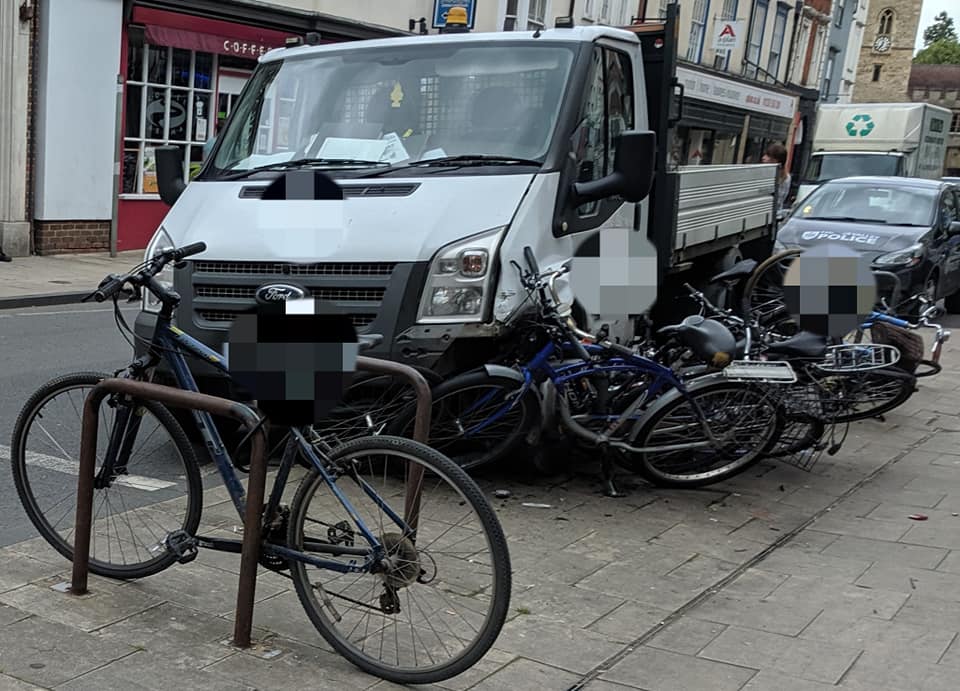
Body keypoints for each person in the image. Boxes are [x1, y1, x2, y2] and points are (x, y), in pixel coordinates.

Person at [761, 143, 791, 212]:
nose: (763, 158)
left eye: (768, 156)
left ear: (776, 160)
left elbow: (777, 201)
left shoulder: (781, 178)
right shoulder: (786, 176)